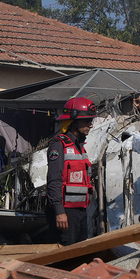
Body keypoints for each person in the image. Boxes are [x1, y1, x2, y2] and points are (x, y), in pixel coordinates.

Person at [45, 96, 97, 245]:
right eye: (87, 121)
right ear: (73, 122)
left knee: (79, 253)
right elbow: (54, 181)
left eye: (91, 121)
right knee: (64, 253)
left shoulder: (80, 147)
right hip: (65, 213)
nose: (90, 125)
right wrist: (59, 212)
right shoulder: (58, 146)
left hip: (80, 211)